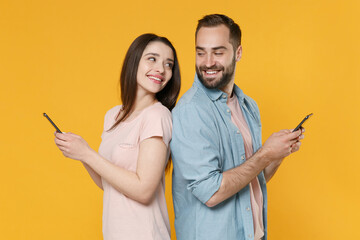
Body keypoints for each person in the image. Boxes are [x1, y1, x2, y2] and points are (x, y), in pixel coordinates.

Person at [170, 14, 304, 240]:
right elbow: (210, 192)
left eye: (218, 52)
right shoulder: (190, 111)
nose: (208, 62)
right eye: (201, 52)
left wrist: (278, 155)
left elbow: (251, 178)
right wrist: (265, 154)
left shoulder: (248, 106)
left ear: (238, 53)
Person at [54, 33, 181, 240]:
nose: (161, 69)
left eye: (169, 64)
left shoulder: (157, 115)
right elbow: (107, 184)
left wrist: (87, 153)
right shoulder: (114, 115)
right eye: (152, 58)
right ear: (134, 61)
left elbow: (143, 190)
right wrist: (80, 154)